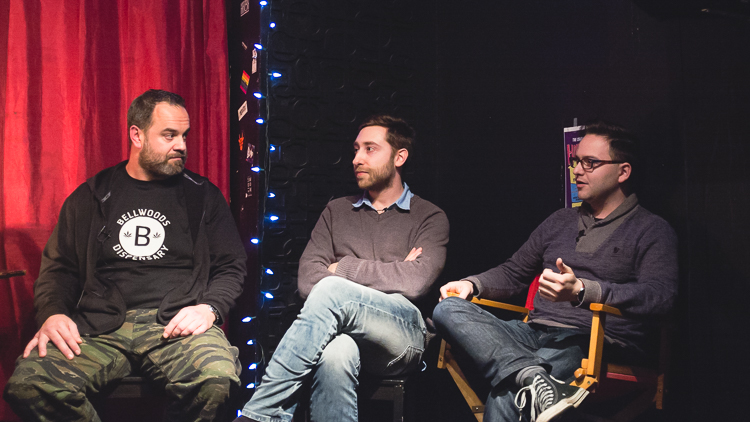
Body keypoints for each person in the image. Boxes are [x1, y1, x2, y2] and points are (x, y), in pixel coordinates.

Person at [3, 89, 247, 422]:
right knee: (31, 385)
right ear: (136, 134)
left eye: (184, 136)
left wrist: (210, 308)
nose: (182, 145)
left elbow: (231, 266)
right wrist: (53, 313)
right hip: (98, 327)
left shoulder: (202, 196)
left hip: (173, 326)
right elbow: (59, 270)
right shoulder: (91, 196)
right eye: (169, 135)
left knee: (216, 378)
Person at [433, 121, 677, 422]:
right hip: (533, 333)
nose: (578, 170)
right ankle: (533, 376)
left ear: (623, 171)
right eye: (576, 161)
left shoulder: (652, 230)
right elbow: (514, 272)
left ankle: (529, 378)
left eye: (590, 163)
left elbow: (660, 296)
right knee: (448, 309)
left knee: (509, 397)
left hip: (592, 342)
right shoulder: (559, 221)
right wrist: (472, 284)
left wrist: (583, 292)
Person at [235, 115, 449, 422]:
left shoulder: (429, 216)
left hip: (402, 336)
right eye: (356, 149)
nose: (357, 159)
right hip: (341, 334)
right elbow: (308, 281)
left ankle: (261, 415)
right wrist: (393, 270)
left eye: (370, 149)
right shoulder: (337, 211)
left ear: (399, 157)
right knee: (336, 353)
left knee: (333, 288)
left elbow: (415, 283)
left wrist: (341, 268)